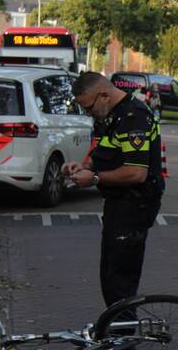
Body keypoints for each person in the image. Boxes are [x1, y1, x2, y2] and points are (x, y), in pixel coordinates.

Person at [64, 72, 165, 307]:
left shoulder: (134, 118)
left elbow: (136, 173)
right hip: (118, 205)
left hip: (134, 206)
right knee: (110, 278)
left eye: (88, 108)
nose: (89, 113)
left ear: (104, 96)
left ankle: (124, 328)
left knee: (120, 283)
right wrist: (84, 166)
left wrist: (94, 178)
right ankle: (117, 325)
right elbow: (108, 152)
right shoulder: (113, 115)